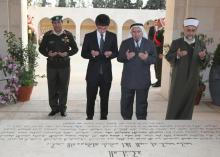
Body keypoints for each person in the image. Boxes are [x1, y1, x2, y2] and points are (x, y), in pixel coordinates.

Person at [165, 18, 207, 120]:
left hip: (193, 79)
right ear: (184, 28)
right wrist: (177, 55)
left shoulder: (201, 43)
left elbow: (204, 61)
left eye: (193, 30)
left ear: (196, 30)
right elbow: (168, 56)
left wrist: (202, 57)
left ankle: (185, 125)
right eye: (188, 30)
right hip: (179, 78)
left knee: (188, 104)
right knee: (175, 102)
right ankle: (170, 124)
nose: (190, 33)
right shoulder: (176, 42)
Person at [39, 15, 78, 117]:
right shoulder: (48, 35)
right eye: (54, 23)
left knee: (63, 88)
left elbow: (75, 49)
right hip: (51, 65)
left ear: (62, 23)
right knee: (52, 87)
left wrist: (67, 53)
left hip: (64, 65)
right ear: (52, 24)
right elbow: (41, 49)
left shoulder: (68, 35)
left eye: (59, 22)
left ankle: (62, 109)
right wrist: (48, 54)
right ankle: (54, 108)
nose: (57, 25)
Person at [81, 14, 118, 120]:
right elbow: (83, 54)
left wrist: (111, 54)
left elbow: (116, 52)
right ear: (96, 25)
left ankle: (104, 116)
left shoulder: (112, 36)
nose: (102, 30)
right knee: (91, 97)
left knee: (105, 97)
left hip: (106, 74)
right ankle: (89, 116)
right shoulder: (89, 36)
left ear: (108, 26)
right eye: (100, 28)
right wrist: (92, 54)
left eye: (105, 28)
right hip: (92, 74)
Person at [117, 23, 157, 120]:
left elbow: (155, 59)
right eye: (134, 32)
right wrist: (126, 57)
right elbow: (119, 58)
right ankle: (126, 122)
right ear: (131, 33)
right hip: (128, 80)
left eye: (138, 31)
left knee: (142, 104)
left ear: (142, 32)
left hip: (143, 80)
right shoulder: (125, 43)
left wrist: (147, 58)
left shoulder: (149, 43)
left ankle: (141, 122)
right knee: (126, 103)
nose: (136, 34)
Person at [149, 18, 165, 87]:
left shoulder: (163, 31)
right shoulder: (158, 31)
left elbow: (163, 42)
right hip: (155, 51)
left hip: (159, 52)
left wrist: (161, 52)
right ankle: (157, 80)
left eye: (158, 22)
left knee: (159, 67)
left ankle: (159, 82)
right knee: (156, 66)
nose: (157, 23)